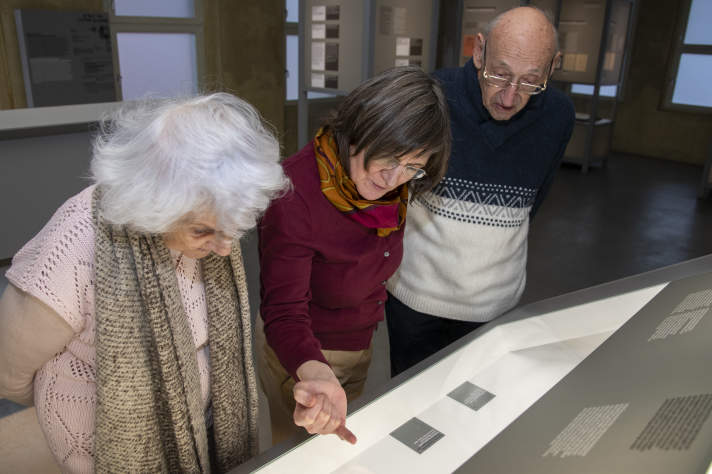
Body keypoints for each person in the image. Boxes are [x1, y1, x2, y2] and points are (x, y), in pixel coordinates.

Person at [0, 93, 289, 473]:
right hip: (97, 437)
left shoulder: (215, 219)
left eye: (233, 230)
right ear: (154, 202)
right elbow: (11, 369)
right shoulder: (78, 240)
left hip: (197, 428)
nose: (224, 249)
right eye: (203, 230)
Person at [257, 66, 451, 445]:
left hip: (359, 345)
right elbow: (283, 312)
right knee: (303, 459)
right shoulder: (294, 194)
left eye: (412, 167)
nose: (393, 179)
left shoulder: (389, 187)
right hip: (302, 355)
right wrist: (315, 371)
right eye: (390, 157)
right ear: (362, 126)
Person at [386, 7, 576, 376]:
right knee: (414, 416)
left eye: (530, 81)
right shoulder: (433, 98)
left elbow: (532, 202)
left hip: (495, 307)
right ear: (478, 51)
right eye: (499, 74)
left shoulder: (558, 116)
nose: (509, 97)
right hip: (417, 303)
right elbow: (391, 193)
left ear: (553, 67)